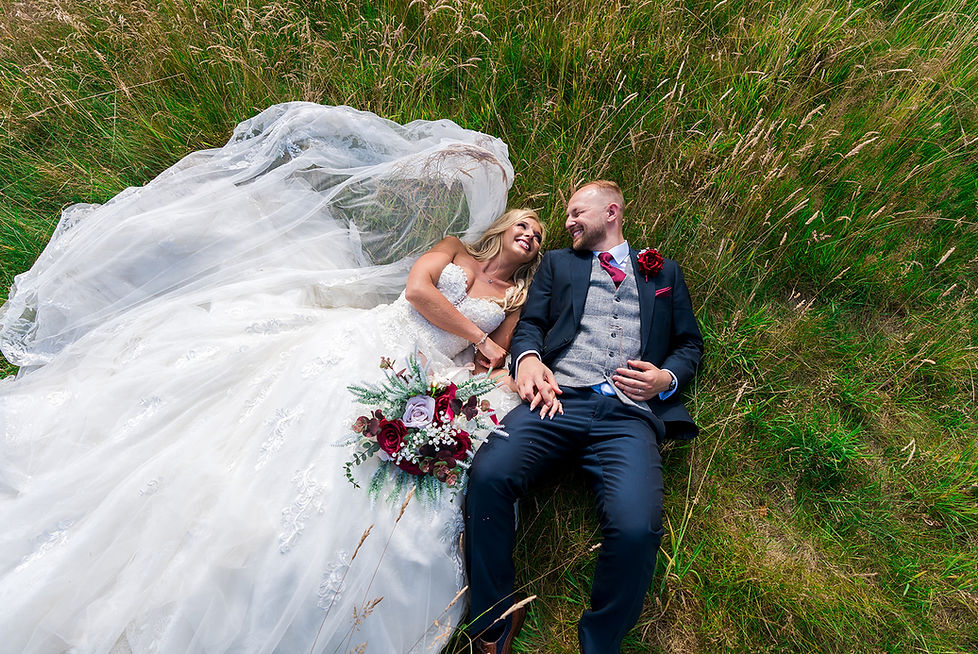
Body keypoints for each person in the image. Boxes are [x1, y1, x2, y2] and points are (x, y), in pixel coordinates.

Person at [0, 103, 546, 654]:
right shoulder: (452, 248)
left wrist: (484, 360)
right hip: (383, 340)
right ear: (501, 229)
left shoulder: (513, 298)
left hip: (428, 377)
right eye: (524, 223)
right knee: (299, 413)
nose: (529, 233)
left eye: (538, 235)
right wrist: (478, 339)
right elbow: (418, 292)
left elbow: (498, 356)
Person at [465, 180, 704, 653]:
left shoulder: (665, 273)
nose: (568, 222)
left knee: (637, 528)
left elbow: (689, 344)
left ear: (611, 211)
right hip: (558, 398)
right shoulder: (558, 264)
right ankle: (494, 624)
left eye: (577, 213)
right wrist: (528, 358)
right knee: (489, 473)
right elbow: (531, 323)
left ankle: (600, 643)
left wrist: (665, 380)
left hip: (629, 418)